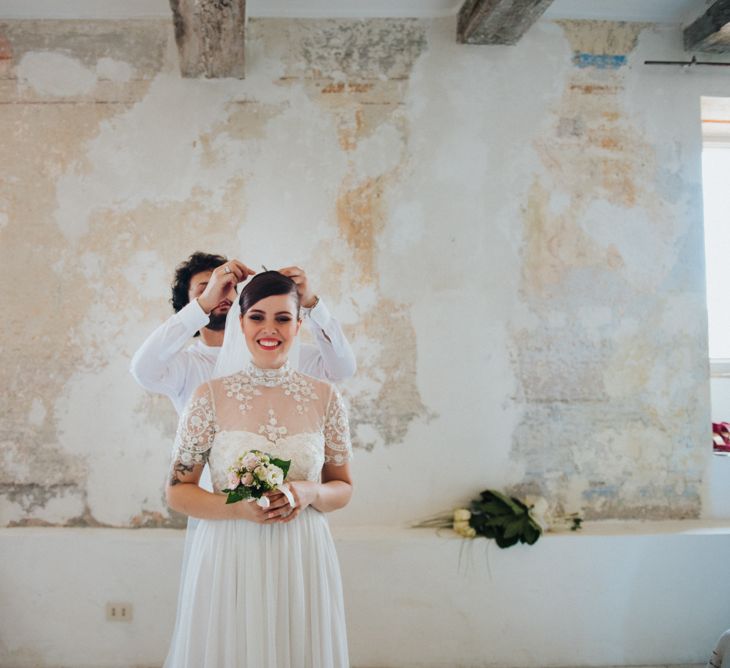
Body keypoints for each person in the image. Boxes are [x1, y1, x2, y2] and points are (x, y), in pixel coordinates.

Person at [163, 271, 353, 667]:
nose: (270, 329)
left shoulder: (325, 397)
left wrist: (311, 492)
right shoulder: (209, 396)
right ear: (241, 323)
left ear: (299, 325)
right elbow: (177, 491)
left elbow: (343, 488)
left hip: (302, 555)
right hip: (230, 553)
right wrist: (236, 508)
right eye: (257, 317)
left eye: (283, 318)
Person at [130, 252, 357, 415]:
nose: (223, 294)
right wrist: (205, 302)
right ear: (188, 304)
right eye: (206, 289)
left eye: (229, 286)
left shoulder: (285, 355)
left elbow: (343, 369)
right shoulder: (186, 366)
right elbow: (143, 369)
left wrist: (311, 304)